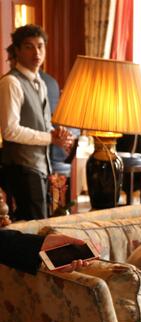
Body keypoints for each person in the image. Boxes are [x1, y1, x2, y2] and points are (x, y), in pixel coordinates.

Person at [0, 25, 73, 220]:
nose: (36, 53)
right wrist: (50, 138)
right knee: (34, 225)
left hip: (40, 166)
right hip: (22, 166)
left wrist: (57, 135)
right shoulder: (11, 83)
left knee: (39, 222)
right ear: (17, 50)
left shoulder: (41, 82)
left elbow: (43, 123)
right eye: (29, 47)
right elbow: (10, 131)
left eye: (40, 46)